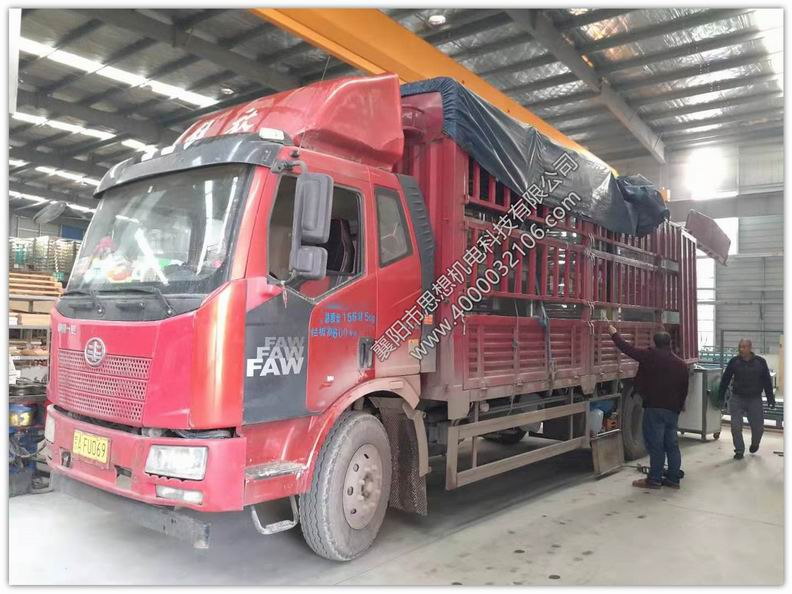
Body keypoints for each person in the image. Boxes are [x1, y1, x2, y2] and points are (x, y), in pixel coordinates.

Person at [607, 325, 690, 489]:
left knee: (656, 445)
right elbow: (684, 389)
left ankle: (654, 479)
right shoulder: (681, 365)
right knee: (672, 446)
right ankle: (673, 479)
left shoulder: (649, 356)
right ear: (669, 344)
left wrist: (614, 334)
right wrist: (679, 407)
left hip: (654, 409)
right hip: (672, 411)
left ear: (655, 343)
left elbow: (628, 349)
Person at [718, 338, 775, 460]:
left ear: (750, 348)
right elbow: (725, 379)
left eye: (744, 347)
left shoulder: (760, 362)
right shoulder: (734, 362)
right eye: (740, 347)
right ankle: (739, 450)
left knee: (758, 427)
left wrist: (770, 398)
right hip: (737, 398)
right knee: (735, 427)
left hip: (755, 399)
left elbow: (766, 381)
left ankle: (755, 443)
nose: (741, 349)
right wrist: (720, 396)